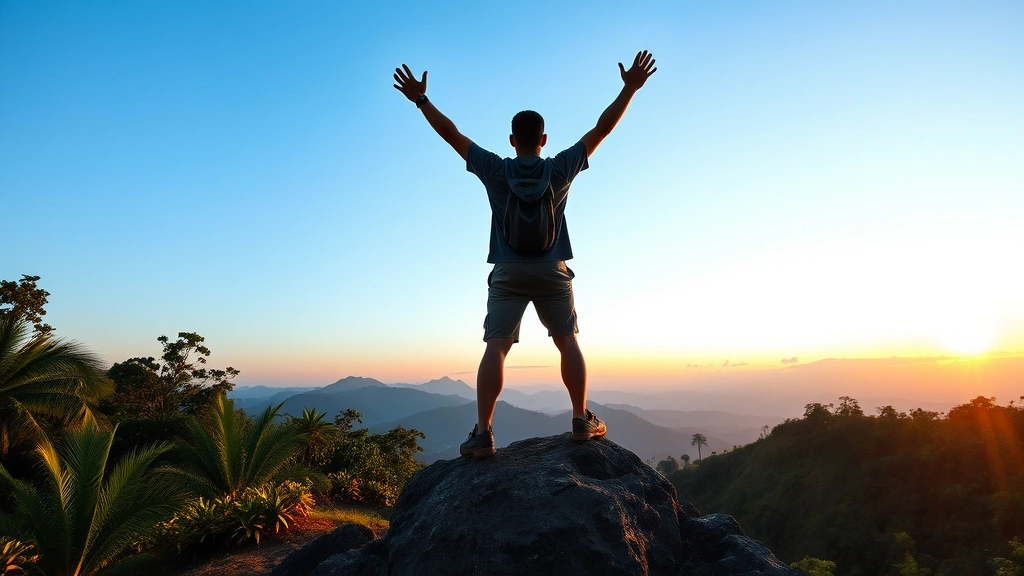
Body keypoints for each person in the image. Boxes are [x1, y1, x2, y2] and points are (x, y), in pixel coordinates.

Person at [393, 50, 657, 459]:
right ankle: (580, 419)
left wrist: (421, 100)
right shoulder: (560, 167)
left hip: (508, 271)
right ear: (544, 140)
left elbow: (452, 135)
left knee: (496, 348)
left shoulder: (495, 169)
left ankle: (483, 433)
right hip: (553, 269)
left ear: (512, 140)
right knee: (567, 342)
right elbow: (601, 129)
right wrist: (630, 89)